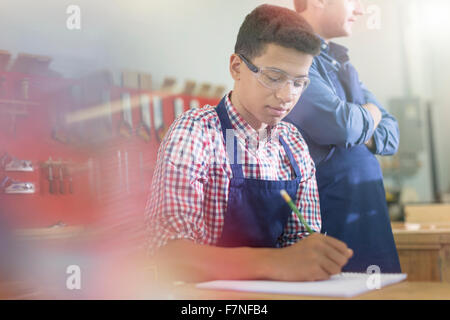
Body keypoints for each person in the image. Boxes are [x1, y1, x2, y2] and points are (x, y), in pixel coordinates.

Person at [145, 4, 353, 282]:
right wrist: (276, 262)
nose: (286, 95)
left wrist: (315, 258)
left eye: (299, 82)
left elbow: (301, 241)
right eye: (274, 77)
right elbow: (171, 253)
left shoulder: (292, 145)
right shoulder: (196, 132)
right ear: (236, 67)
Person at [285, 0, 401, 272]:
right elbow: (342, 126)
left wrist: (359, 125)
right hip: (331, 217)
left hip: (369, 223)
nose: (360, 10)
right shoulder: (292, 56)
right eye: (354, 1)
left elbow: (392, 133)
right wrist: (369, 113)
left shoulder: (339, 61)